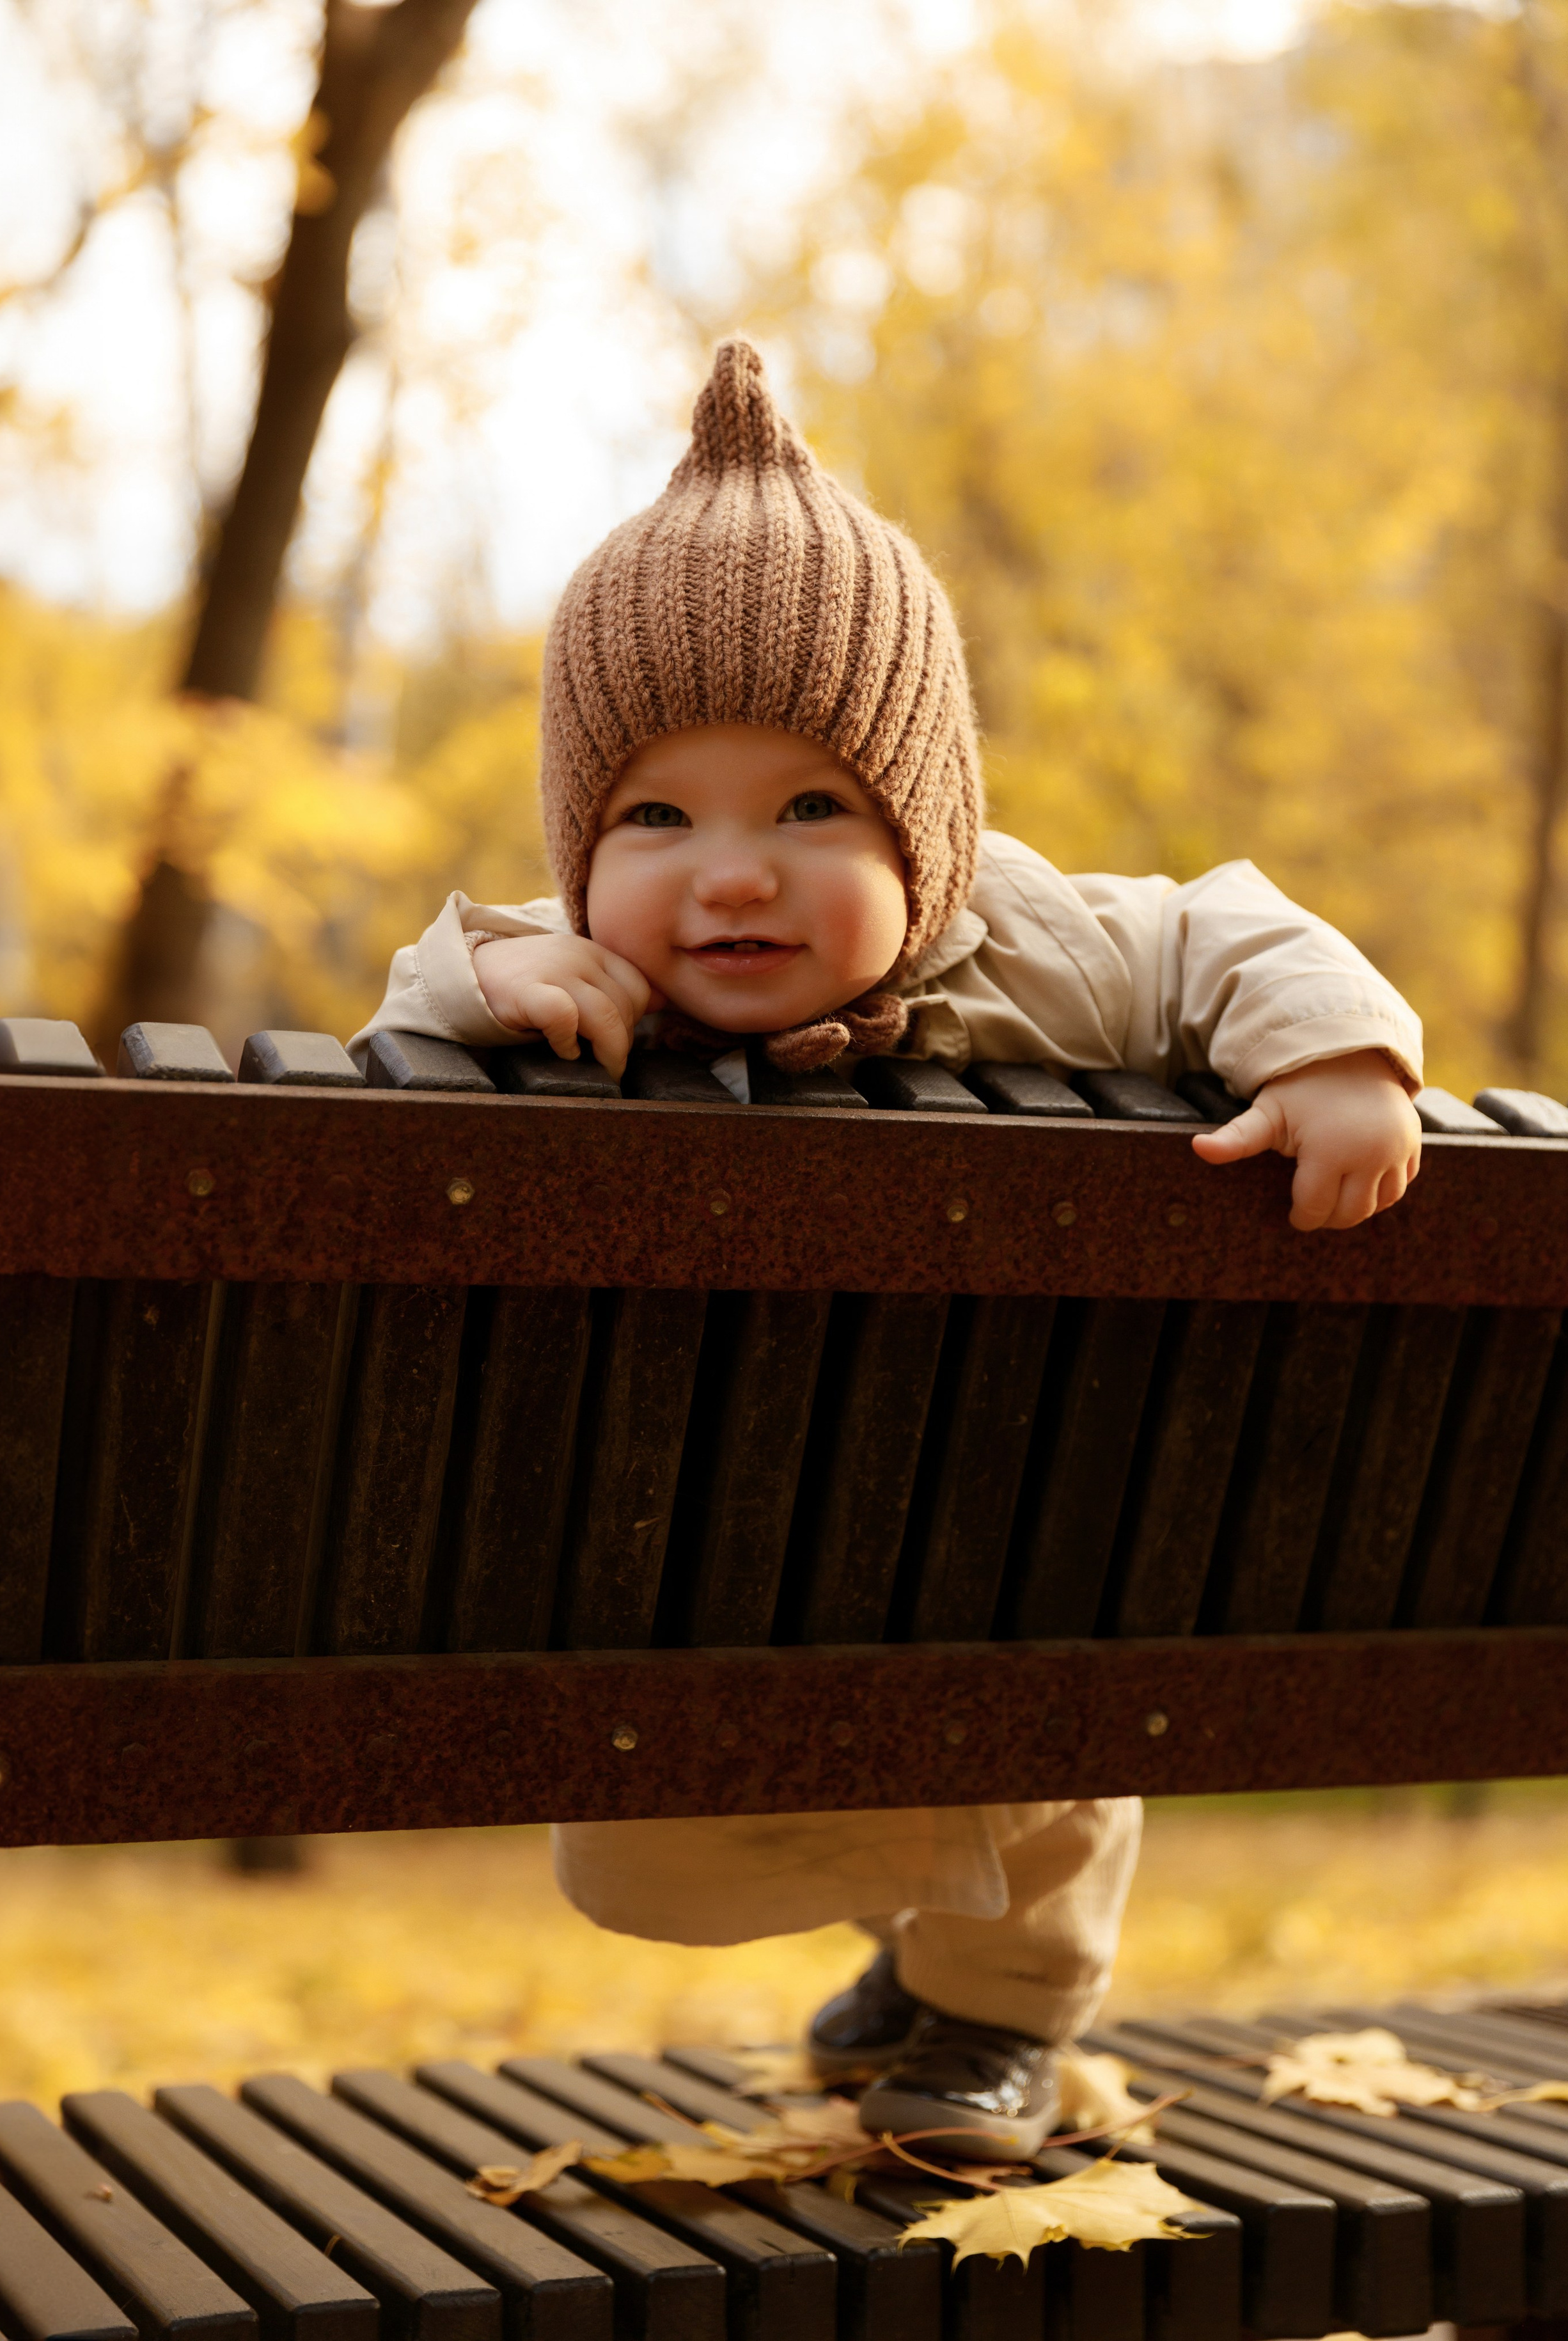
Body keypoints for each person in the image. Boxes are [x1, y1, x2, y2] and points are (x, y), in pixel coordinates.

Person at [354, 338, 1423, 2161]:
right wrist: (496, 969)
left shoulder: (1047, 943)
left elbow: (1234, 930)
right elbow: (414, 1000)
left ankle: (990, 2013)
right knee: (804, 1724)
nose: (733, 874)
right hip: (751, 1543)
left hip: (1029, 1539)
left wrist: (1331, 1052)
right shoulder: (574, 976)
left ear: (931, 829)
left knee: (1040, 1682)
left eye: (813, 807)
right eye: (656, 816)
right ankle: (936, 1971)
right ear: (578, 848)